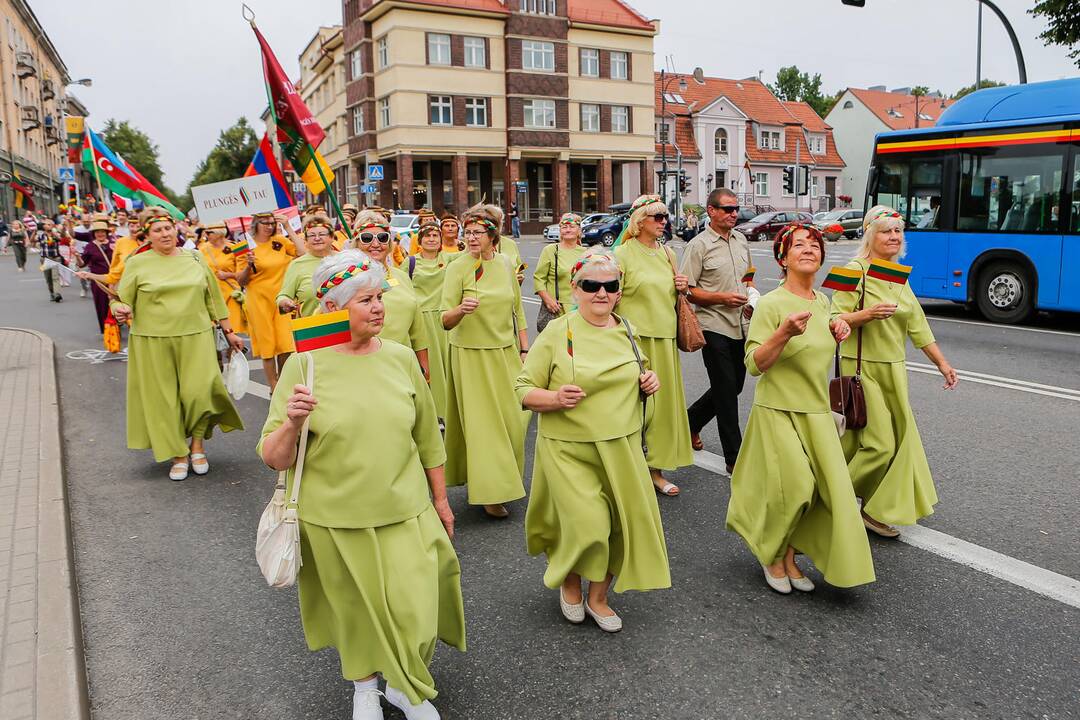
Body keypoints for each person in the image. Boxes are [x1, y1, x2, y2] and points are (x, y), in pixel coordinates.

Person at [259, 249, 464, 720]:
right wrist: (291, 422)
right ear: (335, 307)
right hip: (333, 516)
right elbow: (273, 456)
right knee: (354, 609)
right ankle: (366, 689)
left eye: (379, 298)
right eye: (366, 300)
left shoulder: (399, 357)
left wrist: (440, 499)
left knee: (415, 605)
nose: (378, 308)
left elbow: (426, 438)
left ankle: (403, 683)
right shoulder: (303, 366)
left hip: (404, 507)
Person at [517, 249, 669, 632]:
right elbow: (522, 388)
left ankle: (599, 597)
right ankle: (570, 579)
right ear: (575, 288)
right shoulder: (558, 331)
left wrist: (649, 381)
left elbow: (643, 372)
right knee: (587, 524)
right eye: (591, 285)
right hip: (568, 448)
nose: (601, 293)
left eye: (610, 286)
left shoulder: (627, 330)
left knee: (619, 526)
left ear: (619, 290)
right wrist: (553, 398)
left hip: (621, 446)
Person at [726, 223, 874, 594]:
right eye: (798, 245)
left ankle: (790, 556)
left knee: (825, 493)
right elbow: (754, 363)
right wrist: (783, 333)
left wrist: (838, 327)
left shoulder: (822, 302)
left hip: (818, 413)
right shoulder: (772, 304)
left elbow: (821, 343)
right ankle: (770, 554)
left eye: (814, 245)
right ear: (783, 257)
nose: (808, 250)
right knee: (795, 488)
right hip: (778, 410)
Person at [830, 206, 958, 537]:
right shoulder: (853, 270)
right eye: (886, 230)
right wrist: (866, 314)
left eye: (898, 231)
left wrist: (942, 364)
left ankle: (873, 510)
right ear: (871, 234)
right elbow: (833, 319)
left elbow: (918, 325)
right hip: (862, 368)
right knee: (880, 444)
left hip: (894, 370)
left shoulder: (898, 275)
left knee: (898, 443)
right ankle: (830, 500)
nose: (894, 237)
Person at [110, 208, 245, 481]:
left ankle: (197, 445)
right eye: (157, 230)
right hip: (152, 341)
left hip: (196, 336)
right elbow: (120, 299)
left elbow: (213, 299)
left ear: (176, 230)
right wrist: (119, 308)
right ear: (147, 236)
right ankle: (179, 454)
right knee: (164, 401)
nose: (165, 234)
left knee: (199, 392)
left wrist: (229, 331)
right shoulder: (138, 263)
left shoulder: (195, 257)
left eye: (168, 228)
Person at [441, 204, 529, 518]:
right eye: (468, 232)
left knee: (515, 421)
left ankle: (504, 478)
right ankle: (490, 492)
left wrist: (524, 348)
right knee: (484, 427)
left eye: (478, 232)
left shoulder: (505, 263)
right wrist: (460, 310)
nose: (472, 237)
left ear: (493, 235)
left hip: (505, 353)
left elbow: (517, 310)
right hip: (471, 355)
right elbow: (444, 320)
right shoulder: (457, 266)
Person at [614, 194, 693, 496]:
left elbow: (672, 296)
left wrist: (683, 288)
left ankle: (655, 469)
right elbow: (609, 297)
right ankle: (630, 467)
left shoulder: (667, 253)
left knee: (660, 409)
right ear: (639, 221)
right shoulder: (622, 254)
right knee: (636, 407)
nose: (664, 222)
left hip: (665, 338)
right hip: (635, 342)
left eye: (665, 217)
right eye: (657, 217)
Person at [682, 188, 757, 473]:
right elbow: (687, 290)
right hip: (712, 324)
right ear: (711, 211)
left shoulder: (740, 240)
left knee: (735, 385)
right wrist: (721, 298)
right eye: (727, 209)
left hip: (741, 323)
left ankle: (690, 422)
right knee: (726, 390)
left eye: (735, 208)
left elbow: (748, 277)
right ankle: (734, 457)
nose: (734, 213)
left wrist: (751, 296)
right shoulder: (699, 245)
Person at [351, 210, 430, 377]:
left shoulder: (401, 277)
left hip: (402, 365)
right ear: (356, 243)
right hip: (361, 366)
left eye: (382, 238)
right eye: (366, 238)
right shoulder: (346, 280)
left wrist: (423, 364)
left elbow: (417, 328)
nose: (375, 244)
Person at [238, 213, 299, 392]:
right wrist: (248, 266)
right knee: (268, 346)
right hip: (258, 301)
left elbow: (303, 253)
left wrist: (287, 227)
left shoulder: (280, 241)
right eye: (265, 223)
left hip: (281, 298)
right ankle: (273, 387)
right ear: (256, 224)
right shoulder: (244, 246)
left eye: (272, 223)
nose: (269, 226)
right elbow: (240, 281)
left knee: (285, 344)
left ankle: (283, 382)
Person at [409, 221, 451, 419]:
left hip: (445, 319)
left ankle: (449, 411)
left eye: (436, 236)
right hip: (422, 320)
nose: (432, 239)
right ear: (420, 240)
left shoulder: (450, 260)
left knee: (448, 366)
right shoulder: (410, 262)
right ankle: (432, 412)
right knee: (428, 368)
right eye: (428, 236)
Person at [533, 213, 586, 335]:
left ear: (579, 231)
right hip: (557, 310)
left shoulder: (585, 253)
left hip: (579, 309)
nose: (568, 230)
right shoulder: (551, 250)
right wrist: (548, 300)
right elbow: (538, 278)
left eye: (572, 227)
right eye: (564, 227)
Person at [278, 214, 338, 319]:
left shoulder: (344, 259)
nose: (317, 238)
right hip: (311, 327)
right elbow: (284, 295)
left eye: (322, 234)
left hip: (345, 325)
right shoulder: (297, 264)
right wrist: (284, 302)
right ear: (305, 240)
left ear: (332, 237)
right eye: (311, 235)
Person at [78, 219, 115, 333]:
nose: (100, 234)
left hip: (114, 280)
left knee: (116, 304)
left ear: (106, 232)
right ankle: (107, 330)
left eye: (103, 231)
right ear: (94, 233)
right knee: (101, 305)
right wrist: (76, 256)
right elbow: (82, 264)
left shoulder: (114, 243)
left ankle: (117, 324)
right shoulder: (90, 246)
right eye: (97, 231)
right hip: (98, 281)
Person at [37, 221, 65, 303]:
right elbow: (32, 241)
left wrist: (53, 233)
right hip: (45, 259)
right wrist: (34, 232)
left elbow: (61, 239)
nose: (48, 225)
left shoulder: (55, 234)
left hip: (55, 258)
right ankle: (52, 293)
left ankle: (57, 294)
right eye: (46, 224)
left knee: (55, 277)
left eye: (50, 224)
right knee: (48, 279)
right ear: (44, 226)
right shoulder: (41, 235)